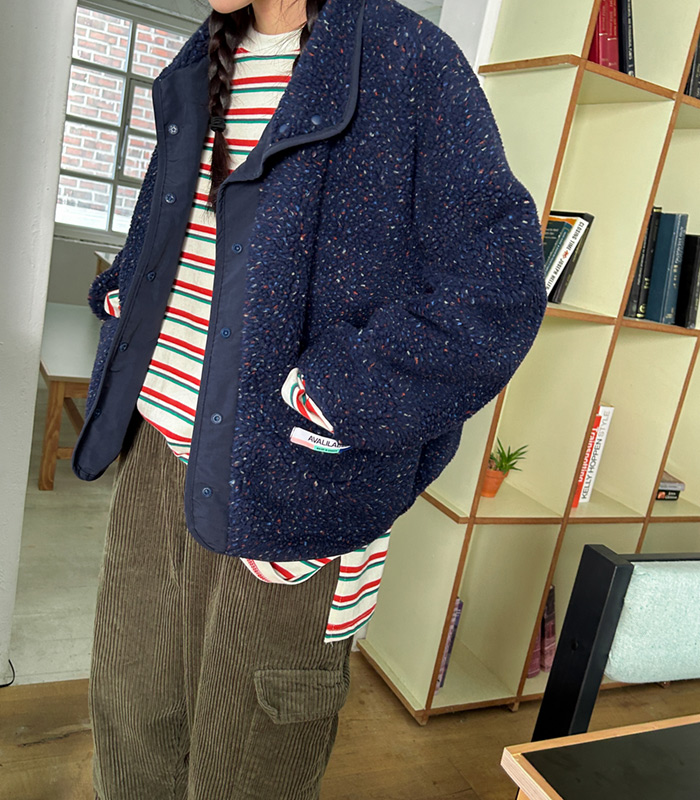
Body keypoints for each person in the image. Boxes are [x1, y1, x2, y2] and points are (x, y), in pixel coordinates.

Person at [71, 0, 548, 797]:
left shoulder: (408, 60)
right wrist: (129, 296)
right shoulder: (200, 61)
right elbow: (182, 231)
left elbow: (497, 292)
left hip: (293, 483)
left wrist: (339, 394)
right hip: (155, 454)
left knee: (247, 766)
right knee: (131, 731)